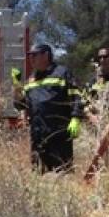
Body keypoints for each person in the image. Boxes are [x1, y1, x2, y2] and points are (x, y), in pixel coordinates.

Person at [23, 43, 82, 172]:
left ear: (46, 55)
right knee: (38, 174)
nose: (31, 59)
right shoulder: (30, 79)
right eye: (29, 56)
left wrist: (76, 118)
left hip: (58, 135)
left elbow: (76, 96)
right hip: (38, 136)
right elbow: (22, 105)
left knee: (62, 173)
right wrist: (16, 89)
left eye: (34, 55)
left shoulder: (62, 73)